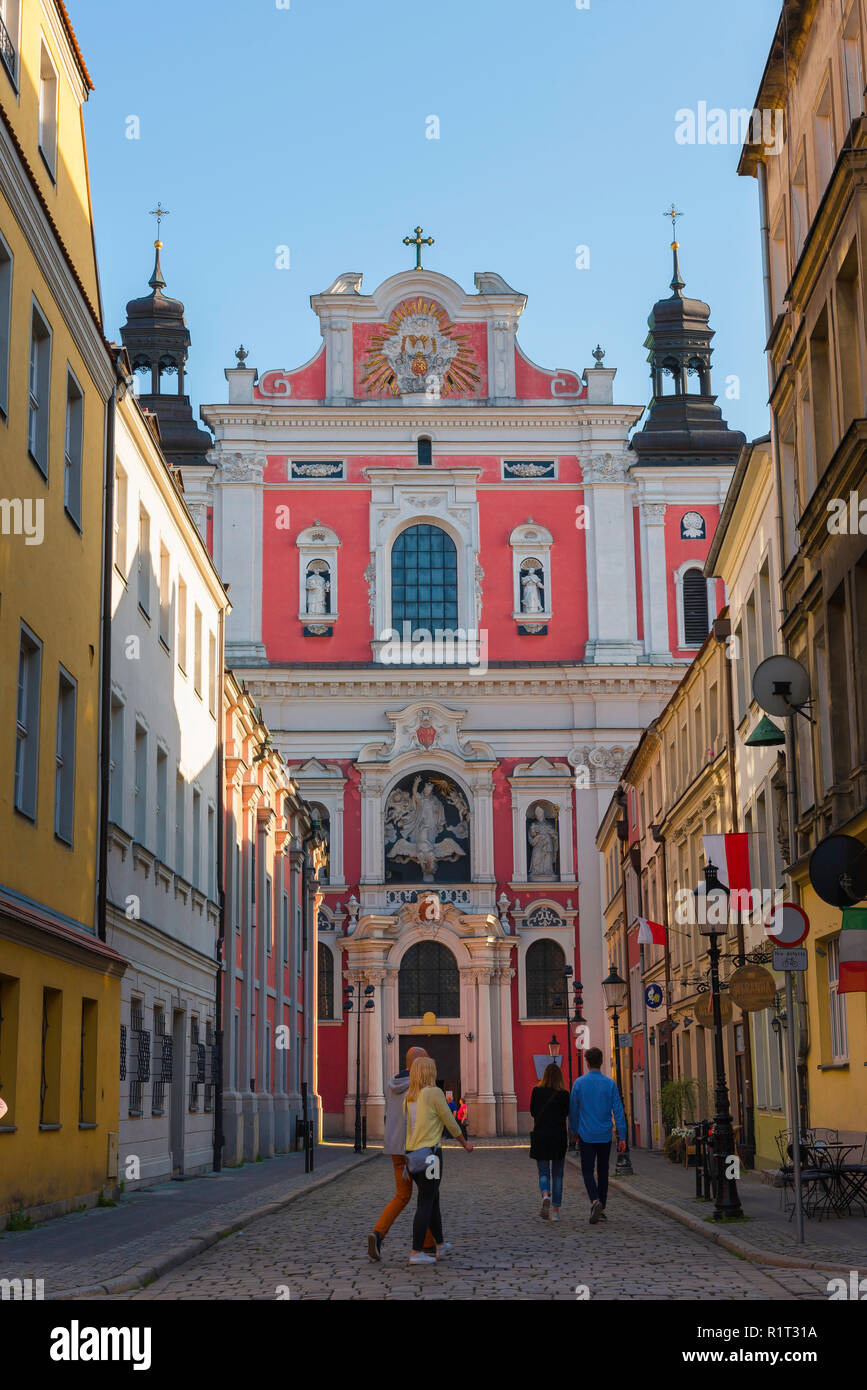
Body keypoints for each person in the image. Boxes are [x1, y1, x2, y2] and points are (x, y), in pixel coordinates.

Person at [368, 1046, 435, 1261]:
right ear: (420, 1063)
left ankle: (378, 1233)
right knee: (427, 1196)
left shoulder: (391, 1082)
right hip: (417, 1147)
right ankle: (427, 1245)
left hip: (396, 1148)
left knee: (402, 1195)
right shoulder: (421, 1086)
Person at [404, 1056, 473, 1265]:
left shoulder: (409, 1098)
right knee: (426, 1202)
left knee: (432, 1199)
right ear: (430, 1072)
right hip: (431, 1156)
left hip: (413, 1156)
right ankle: (416, 1252)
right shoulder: (434, 1093)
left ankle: (440, 1245)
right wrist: (464, 1143)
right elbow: (450, 1121)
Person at [568, 1046, 627, 1224]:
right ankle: (602, 1207)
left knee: (587, 1170)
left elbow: (573, 1110)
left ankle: (594, 1200)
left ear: (587, 1063)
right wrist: (622, 1135)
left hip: (586, 1134)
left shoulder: (579, 1083)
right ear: (601, 1062)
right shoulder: (609, 1084)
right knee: (603, 1171)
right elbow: (618, 1110)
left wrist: (575, 1130)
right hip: (604, 1134)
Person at [530, 1063, 570, 1222]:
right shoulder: (564, 1094)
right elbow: (566, 1113)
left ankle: (545, 1194)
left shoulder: (536, 1091)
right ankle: (555, 1212)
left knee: (543, 1171)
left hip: (541, 1136)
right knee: (558, 1174)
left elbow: (533, 1112)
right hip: (558, 1136)